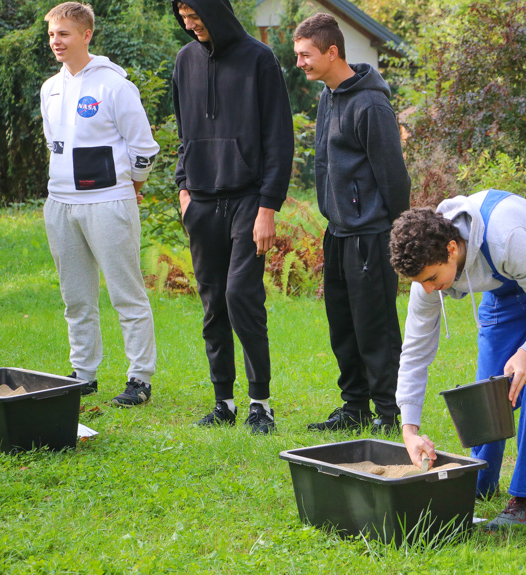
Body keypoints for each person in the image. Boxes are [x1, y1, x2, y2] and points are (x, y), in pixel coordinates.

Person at [389, 189, 526, 531]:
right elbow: (416, 350)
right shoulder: (428, 266)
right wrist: (409, 429)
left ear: (452, 249)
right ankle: (479, 481)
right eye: (419, 282)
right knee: (490, 388)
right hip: (504, 286)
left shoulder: (504, 237)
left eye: (432, 279)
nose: (427, 289)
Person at [171, 0, 294, 434]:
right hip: (201, 203)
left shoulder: (259, 60)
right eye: (184, 19)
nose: (190, 25)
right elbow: (183, 133)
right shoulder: (185, 61)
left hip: (248, 200)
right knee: (212, 305)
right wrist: (184, 190)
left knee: (241, 295)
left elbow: (280, 139)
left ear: (215, 11)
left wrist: (267, 207)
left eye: (196, 17)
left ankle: (260, 404)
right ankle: (223, 402)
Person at [293, 14, 410, 434]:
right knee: (343, 326)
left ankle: (390, 414)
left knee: (374, 326)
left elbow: (393, 175)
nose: (300, 63)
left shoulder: (371, 103)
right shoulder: (328, 96)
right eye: (298, 56)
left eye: (306, 55)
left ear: (332, 51)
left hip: (371, 234)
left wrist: (398, 234)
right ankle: (355, 407)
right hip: (338, 231)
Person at [40, 2, 159, 407]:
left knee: (126, 295)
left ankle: (139, 378)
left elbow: (143, 146)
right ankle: (83, 374)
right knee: (75, 296)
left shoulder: (115, 85)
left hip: (108, 202)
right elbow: (54, 145)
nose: (56, 41)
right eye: (53, 34)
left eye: (64, 34)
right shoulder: (50, 88)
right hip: (60, 204)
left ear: (86, 35)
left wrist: (134, 185)